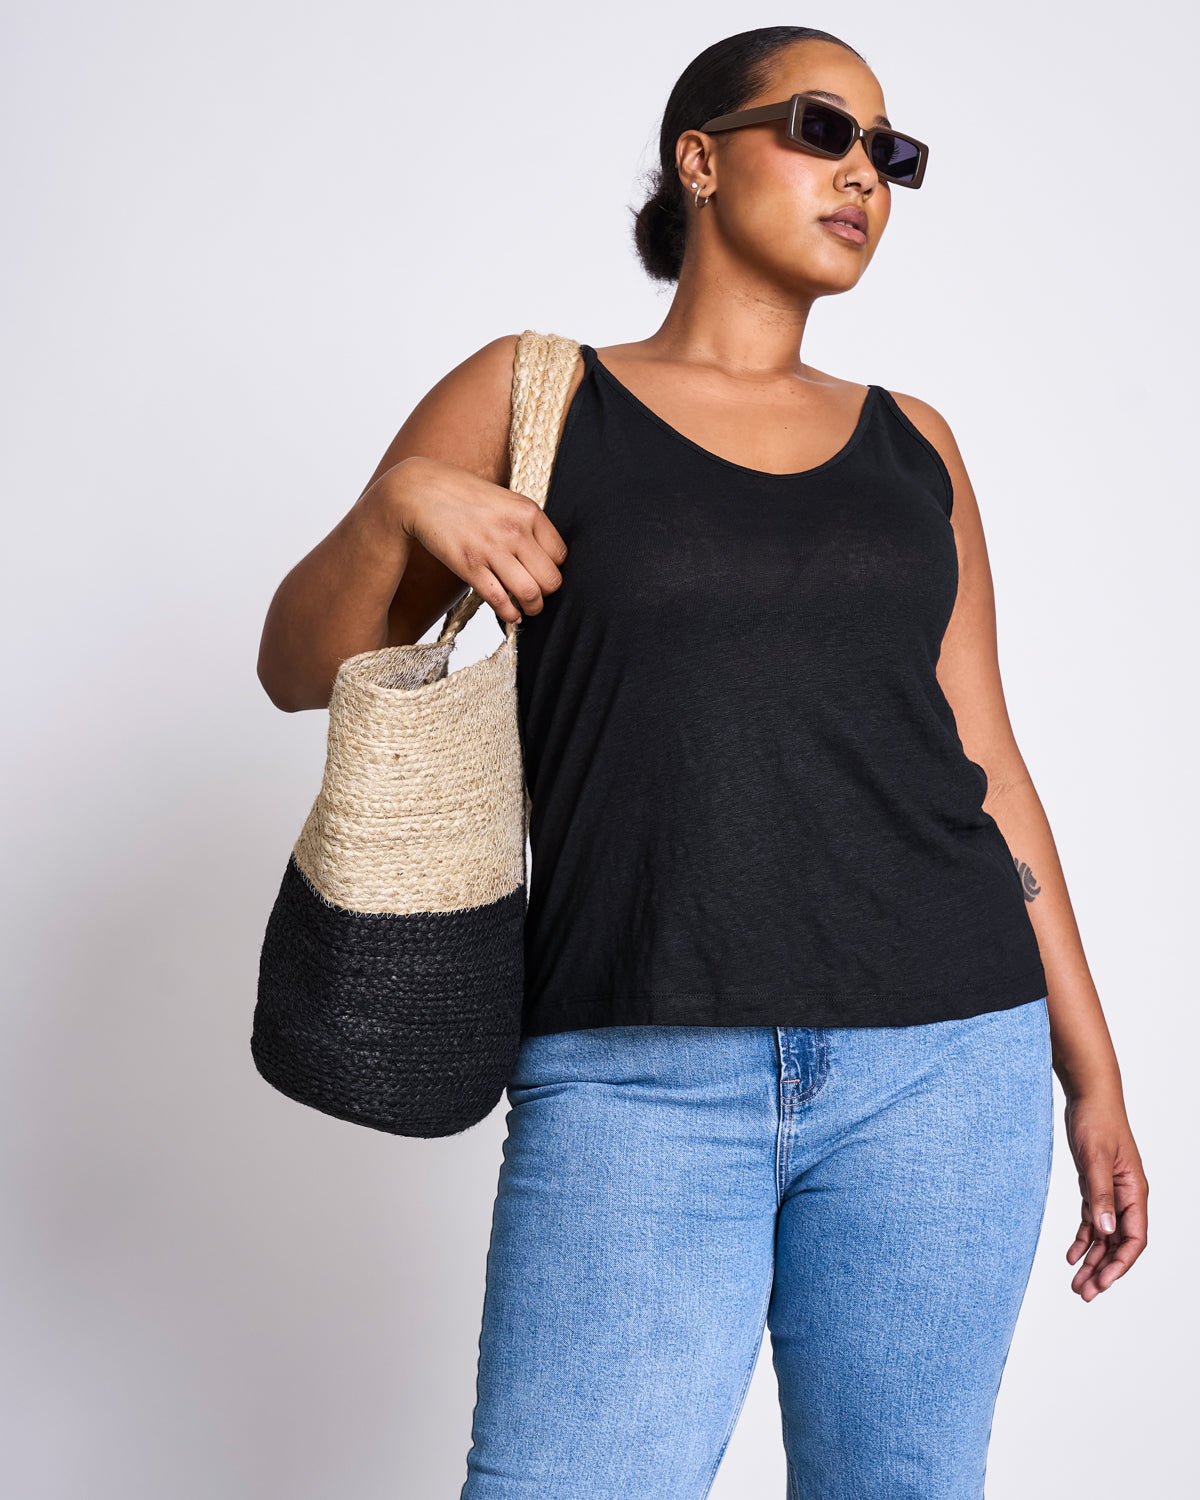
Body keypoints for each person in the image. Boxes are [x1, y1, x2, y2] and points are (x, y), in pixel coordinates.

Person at [256, 24, 1149, 1500]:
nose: (866, 173)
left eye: (892, 155)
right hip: (633, 1066)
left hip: (946, 1063)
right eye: (824, 130)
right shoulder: (540, 397)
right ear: (702, 158)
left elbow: (985, 760)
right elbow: (299, 668)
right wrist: (410, 499)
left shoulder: (914, 445)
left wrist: (1093, 1073)